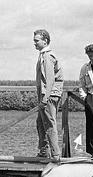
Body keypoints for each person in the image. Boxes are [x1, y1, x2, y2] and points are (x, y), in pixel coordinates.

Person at [33, 29, 63, 162]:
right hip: (46, 94)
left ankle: (56, 155)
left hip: (49, 95)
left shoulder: (47, 56)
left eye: (36, 40)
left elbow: (50, 79)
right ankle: (44, 151)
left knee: (49, 124)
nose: (34, 43)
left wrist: (45, 98)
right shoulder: (43, 55)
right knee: (40, 122)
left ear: (45, 41)